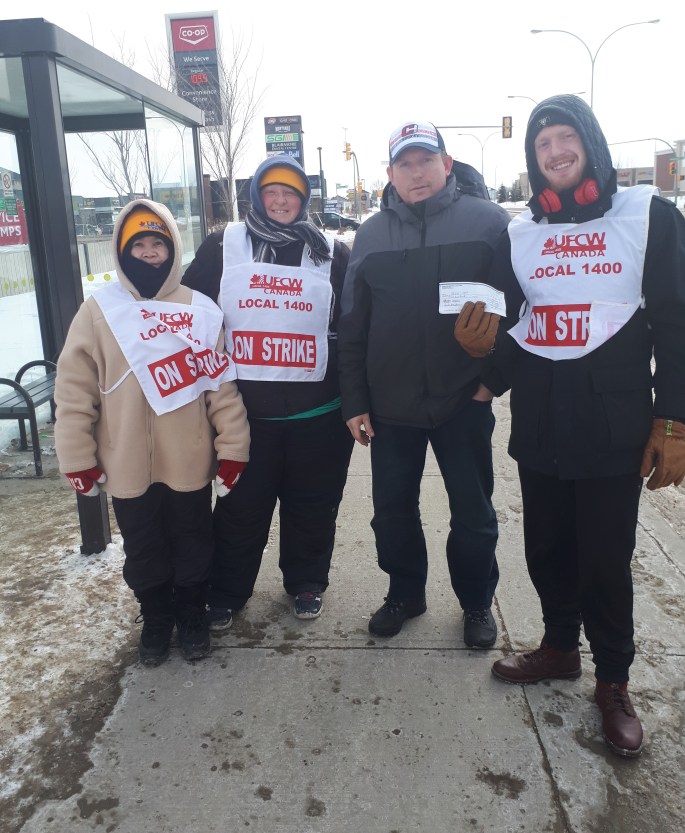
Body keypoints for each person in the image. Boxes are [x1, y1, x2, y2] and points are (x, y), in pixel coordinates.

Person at [455, 94, 685, 758]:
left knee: (604, 559)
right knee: (547, 546)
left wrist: (674, 418)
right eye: (541, 144)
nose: (554, 152)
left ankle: (612, 680)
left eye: (564, 138)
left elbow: (674, 323)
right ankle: (559, 646)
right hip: (540, 420)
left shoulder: (647, 216)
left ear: (589, 142)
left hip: (612, 423)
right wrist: (480, 365)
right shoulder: (521, 233)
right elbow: (514, 324)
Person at [337, 121, 511, 645]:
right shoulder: (371, 234)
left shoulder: (489, 224)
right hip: (390, 406)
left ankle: (476, 603)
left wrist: (490, 383)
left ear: (446, 164)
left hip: (463, 401)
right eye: (405, 165)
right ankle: (405, 593)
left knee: (473, 514)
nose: (417, 173)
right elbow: (353, 324)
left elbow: (519, 311)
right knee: (391, 513)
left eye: (426, 161)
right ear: (390, 174)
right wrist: (355, 400)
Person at [55, 200, 250, 666]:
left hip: (188, 459)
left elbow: (221, 387)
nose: (148, 253)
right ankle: (156, 616)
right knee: (143, 547)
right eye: (138, 244)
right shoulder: (99, 312)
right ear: (122, 251)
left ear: (172, 249)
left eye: (157, 244)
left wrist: (233, 447)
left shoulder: (199, 311)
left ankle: (191, 613)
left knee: (193, 541)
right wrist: (77, 456)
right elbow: (75, 391)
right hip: (125, 462)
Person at [182, 155, 354, 625]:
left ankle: (306, 581)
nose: (280, 201)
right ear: (256, 196)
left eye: (290, 192)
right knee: (240, 509)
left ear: (304, 199)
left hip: (318, 415)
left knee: (313, 507)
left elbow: (355, 321)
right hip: (246, 417)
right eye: (271, 191)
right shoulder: (224, 245)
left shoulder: (329, 252)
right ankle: (227, 590)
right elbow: (189, 311)